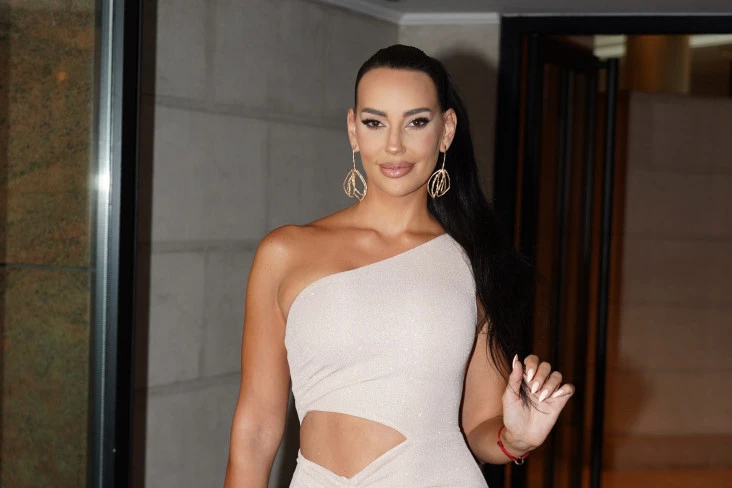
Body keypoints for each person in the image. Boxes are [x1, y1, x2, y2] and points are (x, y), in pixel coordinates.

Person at [224, 44, 574, 487]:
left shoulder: (472, 261)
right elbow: (255, 430)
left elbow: (479, 426)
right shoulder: (284, 252)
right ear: (353, 130)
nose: (394, 145)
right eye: (375, 122)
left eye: (416, 122)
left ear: (446, 130)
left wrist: (516, 440)